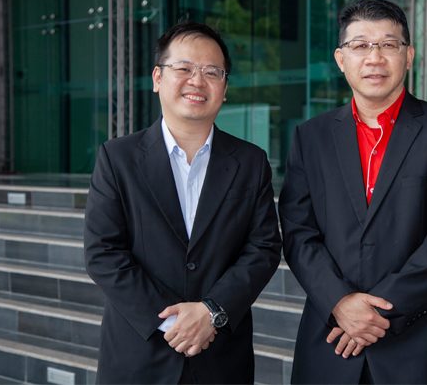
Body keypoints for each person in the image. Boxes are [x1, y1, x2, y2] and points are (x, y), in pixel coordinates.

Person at [279, 0, 427, 384]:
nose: (374, 57)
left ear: (409, 56)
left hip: (422, 345)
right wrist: (340, 301)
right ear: (341, 59)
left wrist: (379, 312)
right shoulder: (311, 138)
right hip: (332, 341)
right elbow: (297, 231)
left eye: (388, 45)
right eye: (360, 45)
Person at [85, 20, 282, 384]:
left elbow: (264, 248)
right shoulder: (117, 158)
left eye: (212, 72)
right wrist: (176, 321)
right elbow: (103, 252)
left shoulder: (251, 161)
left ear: (224, 88)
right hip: (138, 356)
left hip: (221, 357)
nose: (197, 81)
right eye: (184, 69)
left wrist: (211, 312)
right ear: (158, 78)